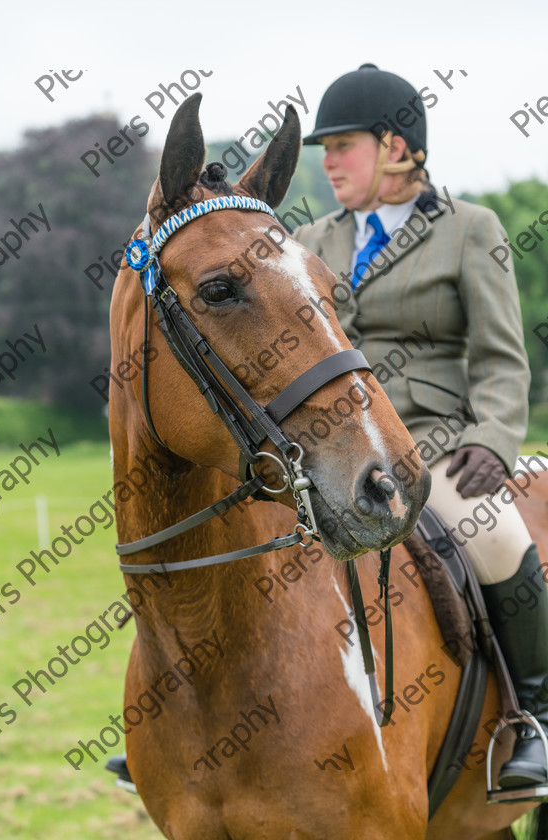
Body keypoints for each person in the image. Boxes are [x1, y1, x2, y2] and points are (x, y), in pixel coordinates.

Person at [294, 62, 548, 794]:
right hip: (333, 446)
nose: (328, 160)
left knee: (495, 532)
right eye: (324, 148)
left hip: (432, 442)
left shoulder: (472, 230)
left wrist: (492, 442)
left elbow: (503, 360)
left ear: (397, 147)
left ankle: (532, 715)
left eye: (342, 144)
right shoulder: (312, 237)